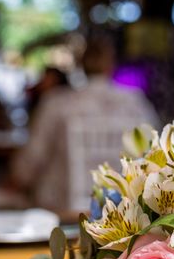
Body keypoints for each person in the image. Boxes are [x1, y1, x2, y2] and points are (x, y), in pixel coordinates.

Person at [12, 36, 160, 211]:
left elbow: (31, 160)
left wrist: (15, 182)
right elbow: (155, 152)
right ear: (110, 65)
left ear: (80, 64)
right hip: (125, 209)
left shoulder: (57, 103)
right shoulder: (136, 103)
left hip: (61, 209)